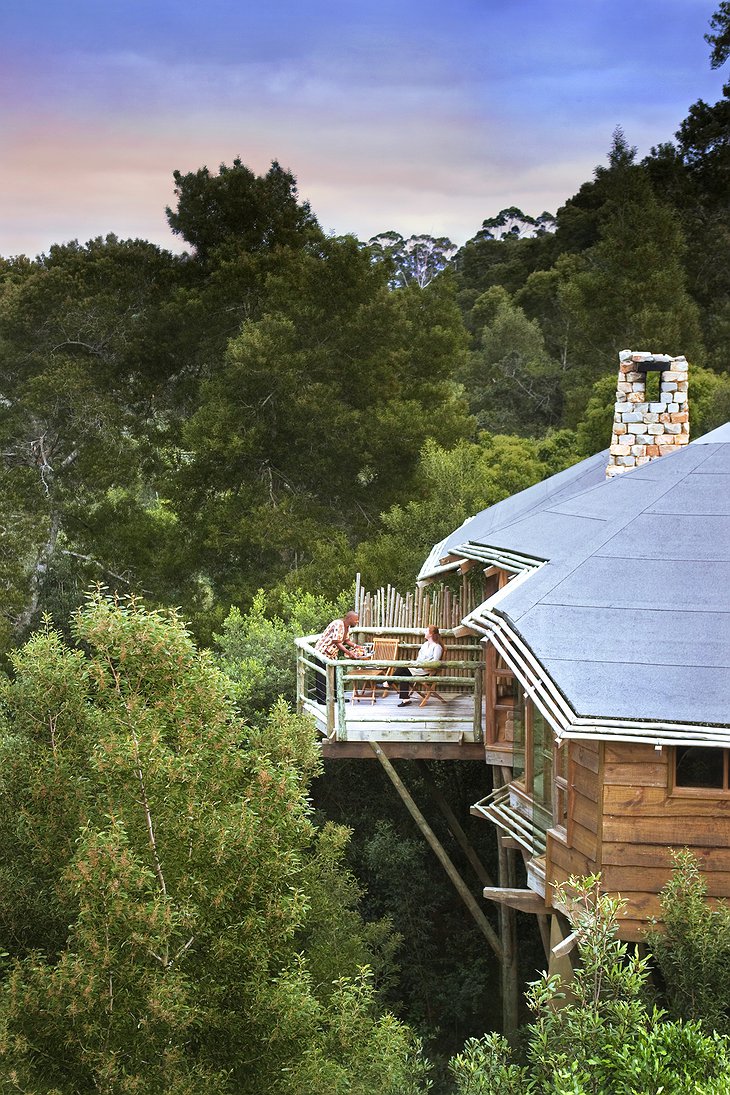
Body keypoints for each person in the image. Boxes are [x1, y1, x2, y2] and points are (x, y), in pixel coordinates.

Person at [314, 611, 363, 703]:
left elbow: (347, 640)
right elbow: (337, 642)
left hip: (332, 654)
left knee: (336, 676)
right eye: (356, 620)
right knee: (321, 676)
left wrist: (356, 646)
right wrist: (349, 653)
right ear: (350, 618)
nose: (357, 622)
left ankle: (337, 697)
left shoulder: (347, 627)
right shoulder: (338, 624)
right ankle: (321, 699)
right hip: (322, 652)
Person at [397, 625, 444, 705]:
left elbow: (435, 662)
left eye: (426, 631)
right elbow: (419, 657)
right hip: (418, 667)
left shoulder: (437, 647)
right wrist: (417, 664)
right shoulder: (425, 644)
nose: (424, 632)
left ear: (431, 634)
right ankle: (405, 699)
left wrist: (423, 664)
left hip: (426, 670)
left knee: (402, 669)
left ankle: (388, 682)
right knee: (403, 673)